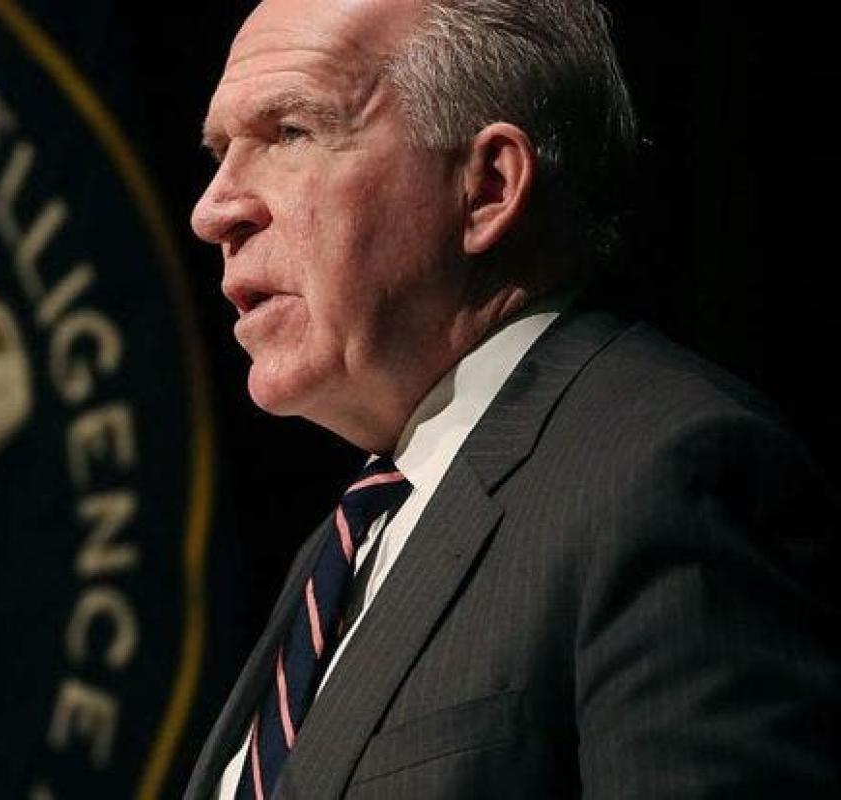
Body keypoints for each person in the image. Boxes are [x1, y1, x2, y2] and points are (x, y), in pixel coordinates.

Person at [183, 0, 841, 797]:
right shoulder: (351, 540)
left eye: (290, 132)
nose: (213, 211)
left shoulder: (666, 474)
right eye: (220, 152)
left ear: (487, 187)